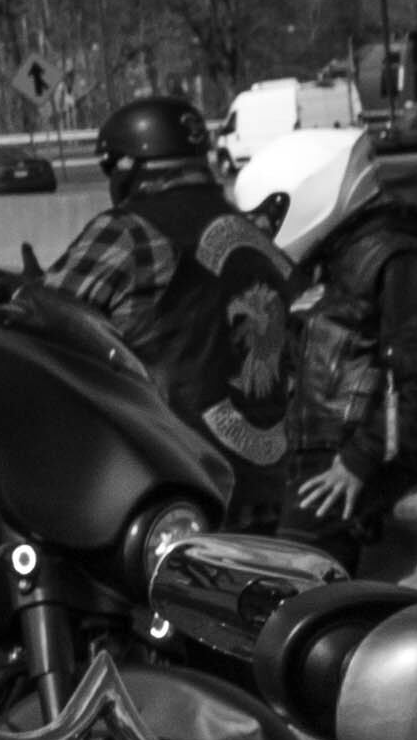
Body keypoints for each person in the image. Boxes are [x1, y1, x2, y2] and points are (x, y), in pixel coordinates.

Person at [54, 93, 296, 496]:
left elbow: (45, 317)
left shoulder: (129, 232)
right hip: (267, 476)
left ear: (127, 166)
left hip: (167, 478)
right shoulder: (257, 233)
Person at [283, 161, 417, 567]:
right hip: (325, 463)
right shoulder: (335, 264)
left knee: (297, 590)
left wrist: (359, 460)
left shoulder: (403, 268)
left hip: (357, 468)